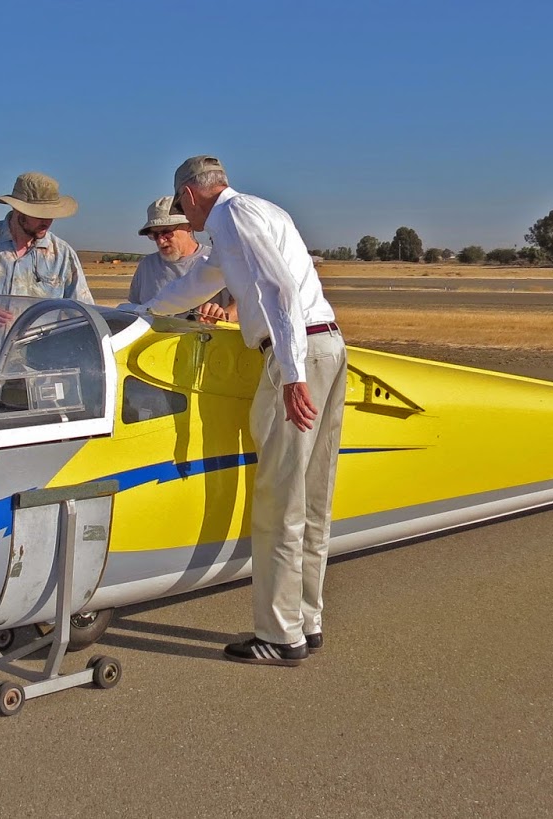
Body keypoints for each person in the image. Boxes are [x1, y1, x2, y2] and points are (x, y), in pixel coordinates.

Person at [138, 155, 346, 667]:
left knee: (279, 500)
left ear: (189, 194)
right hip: (329, 345)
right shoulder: (256, 214)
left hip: (295, 355)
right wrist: (142, 312)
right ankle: (307, 620)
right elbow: (199, 283)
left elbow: (278, 289)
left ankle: (280, 635)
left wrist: (292, 374)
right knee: (313, 494)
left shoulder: (231, 218)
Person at [0, 172, 94, 367]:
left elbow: (82, 313)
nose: (47, 221)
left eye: (51, 215)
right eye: (39, 215)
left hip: (35, 368)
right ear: (18, 210)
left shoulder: (62, 254)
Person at [129, 195, 235, 322]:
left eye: (167, 232)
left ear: (189, 226)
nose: (161, 241)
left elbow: (244, 303)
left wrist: (224, 315)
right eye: (155, 235)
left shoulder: (217, 260)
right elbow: (134, 311)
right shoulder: (146, 266)